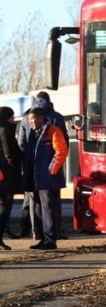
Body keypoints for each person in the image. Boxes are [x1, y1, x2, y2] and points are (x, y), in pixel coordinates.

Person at [23, 101, 69, 250]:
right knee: (38, 209)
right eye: (29, 120)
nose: (31, 122)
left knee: (48, 208)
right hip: (36, 180)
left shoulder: (53, 131)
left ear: (41, 118)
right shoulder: (33, 134)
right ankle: (42, 238)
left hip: (48, 179)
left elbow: (61, 152)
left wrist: (51, 171)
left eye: (33, 119)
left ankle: (51, 240)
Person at [0, 107, 23, 242]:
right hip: (7, 173)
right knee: (6, 203)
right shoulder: (5, 130)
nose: (13, 119)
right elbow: (9, 153)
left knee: (5, 203)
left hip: (5, 172)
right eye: (12, 117)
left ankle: (4, 231)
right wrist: (15, 169)